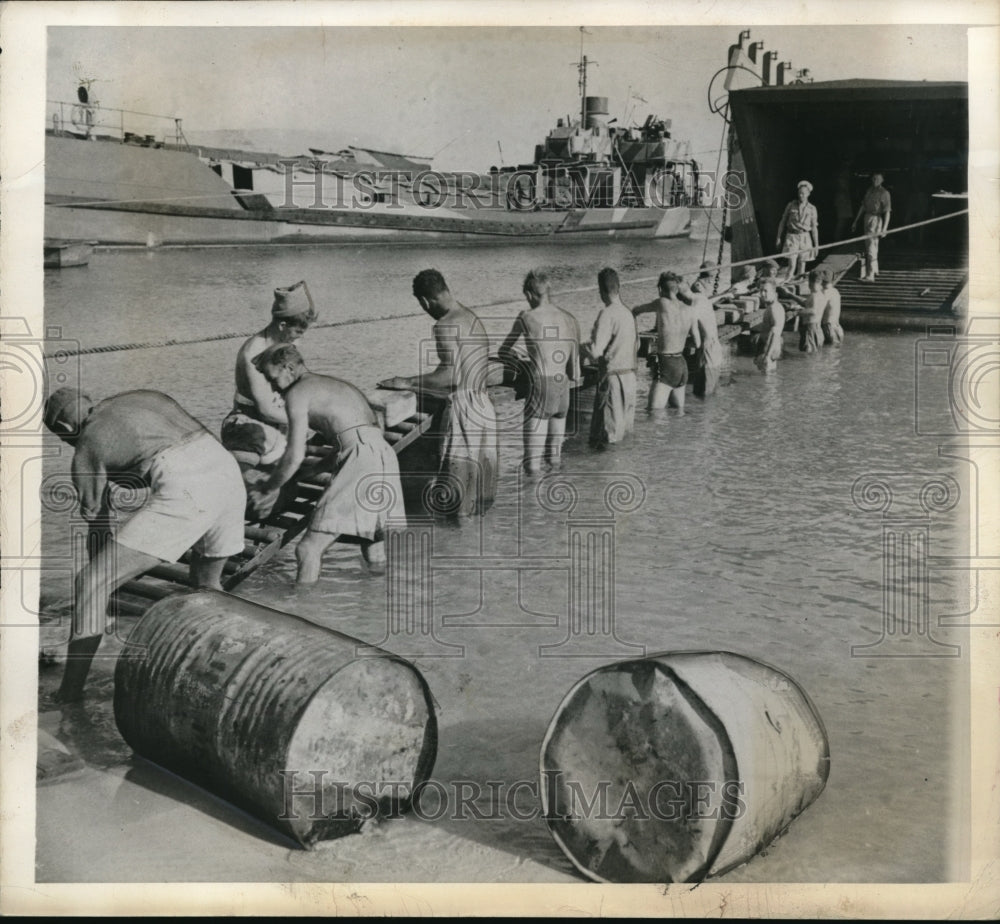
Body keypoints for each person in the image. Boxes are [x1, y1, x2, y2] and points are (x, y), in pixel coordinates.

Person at [43, 387, 247, 702]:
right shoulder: (136, 399)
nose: (69, 445)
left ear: (65, 429)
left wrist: (103, 581)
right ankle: (237, 665)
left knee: (89, 583)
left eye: (63, 439)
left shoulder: (86, 444)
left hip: (187, 484)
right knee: (207, 586)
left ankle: (68, 695)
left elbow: (98, 527)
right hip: (226, 469)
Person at [248, 344, 405, 582]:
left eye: (272, 379)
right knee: (373, 543)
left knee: (307, 549)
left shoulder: (297, 392)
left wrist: (268, 488)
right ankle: (376, 602)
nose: (272, 387)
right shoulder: (333, 384)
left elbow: (294, 454)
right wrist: (312, 471)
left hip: (361, 459)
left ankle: (300, 608)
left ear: (288, 368)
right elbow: (358, 436)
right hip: (383, 454)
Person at [385, 269, 498, 516]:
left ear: (425, 301)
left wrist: (408, 382)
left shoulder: (444, 325)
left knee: (456, 498)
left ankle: (456, 544)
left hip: (465, 408)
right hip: (484, 406)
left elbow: (451, 375)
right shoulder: (471, 316)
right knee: (480, 498)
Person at [221, 281, 317, 468]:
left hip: (280, 424)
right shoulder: (253, 352)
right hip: (248, 426)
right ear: (282, 325)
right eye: (297, 332)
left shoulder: (288, 344)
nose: (300, 338)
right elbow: (266, 409)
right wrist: (308, 421)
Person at [499, 269, 582, 473]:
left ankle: (532, 503)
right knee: (554, 458)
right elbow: (575, 370)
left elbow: (503, 351)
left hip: (541, 385)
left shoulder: (526, 316)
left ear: (528, 294)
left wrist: (519, 361)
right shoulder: (568, 318)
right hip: (562, 385)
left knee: (532, 465)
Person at [581, 267, 638, 448]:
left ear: (601, 290)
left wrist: (581, 349)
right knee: (624, 435)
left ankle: (606, 473)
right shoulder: (628, 313)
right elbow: (638, 345)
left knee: (608, 437)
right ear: (618, 287)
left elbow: (596, 352)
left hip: (613, 379)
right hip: (630, 378)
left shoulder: (607, 313)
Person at [632, 271, 700, 412]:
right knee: (678, 413)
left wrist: (635, 337)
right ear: (676, 289)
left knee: (653, 414)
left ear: (660, 289)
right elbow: (697, 343)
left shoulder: (661, 303)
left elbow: (635, 310)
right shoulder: (690, 310)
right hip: (682, 364)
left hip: (666, 364)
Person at [679, 279, 724, 396]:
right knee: (710, 391)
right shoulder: (701, 297)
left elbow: (697, 341)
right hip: (716, 348)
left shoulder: (693, 308)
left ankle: (701, 414)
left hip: (707, 350)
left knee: (704, 393)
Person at [852, 172, 892, 282]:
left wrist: (884, 228)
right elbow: (863, 206)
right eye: (874, 178)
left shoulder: (884, 193)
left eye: (878, 179)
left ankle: (870, 275)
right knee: (872, 246)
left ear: (882, 180)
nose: (875, 180)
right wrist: (856, 221)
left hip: (876, 219)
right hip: (867, 218)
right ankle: (875, 270)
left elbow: (887, 212)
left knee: (871, 247)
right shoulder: (869, 190)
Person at [776, 180, 819, 279]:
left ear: (808, 194)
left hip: (805, 237)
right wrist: (778, 237)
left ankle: (799, 284)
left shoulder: (812, 208)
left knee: (802, 264)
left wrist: (816, 245)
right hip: (792, 237)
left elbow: (814, 228)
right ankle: (787, 281)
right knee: (791, 264)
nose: (801, 195)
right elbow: (782, 221)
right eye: (799, 193)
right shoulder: (791, 205)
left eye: (803, 193)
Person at [782, 269, 825, 353]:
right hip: (816, 328)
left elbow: (813, 311)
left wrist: (795, 313)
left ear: (810, 282)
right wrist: (791, 295)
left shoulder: (815, 295)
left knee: (807, 354)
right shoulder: (819, 294)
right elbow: (806, 303)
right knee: (812, 354)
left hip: (810, 328)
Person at [753, 279, 786, 374]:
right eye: (761, 291)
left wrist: (767, 355)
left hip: (769, 347)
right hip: (771, 346)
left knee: (766, 377)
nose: (762, 294)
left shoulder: (774, 309)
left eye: (766, 291)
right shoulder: (774, 306)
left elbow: (775, 333)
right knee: (768, 376)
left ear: (774, 292)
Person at [820, 270, 844, 345]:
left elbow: (816, 307)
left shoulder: (824, 292)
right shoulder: (835, 291)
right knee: (834, 351)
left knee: (827, 353)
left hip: (828, 327)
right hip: (838, 326)